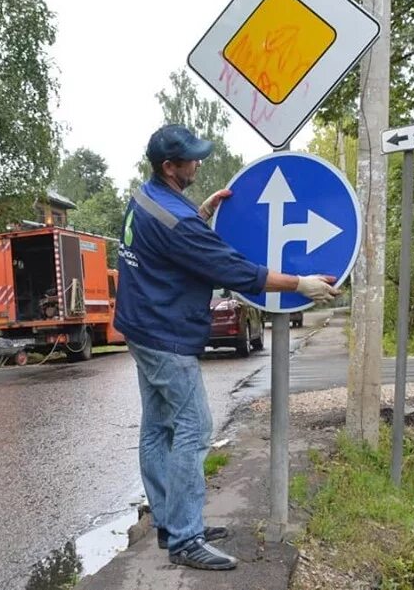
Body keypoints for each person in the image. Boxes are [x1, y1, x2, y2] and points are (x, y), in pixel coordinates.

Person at [114, 124, 340, 571]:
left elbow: (164, 238)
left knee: (158, 427)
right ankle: (185, 538)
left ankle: (168, 521)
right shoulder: (178, 223)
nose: (198, 162)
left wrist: (197, 211)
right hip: (165, 333)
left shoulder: (146, 197)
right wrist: (301, 283)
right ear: (169, 167)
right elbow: (239, 272)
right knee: (195, 428)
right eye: (192, 158)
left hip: (139, 326)